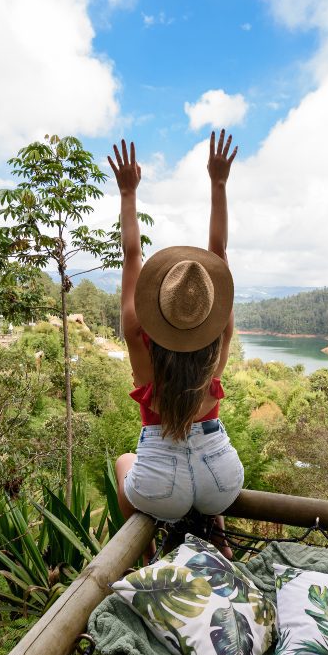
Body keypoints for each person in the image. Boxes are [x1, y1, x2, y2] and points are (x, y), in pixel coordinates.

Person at [108, 130, 242, 550]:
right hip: (222, 479)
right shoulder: (216, 344)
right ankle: (215, 529)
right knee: (204, 471)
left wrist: (128, 193)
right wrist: (218, 183)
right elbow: (218, 251)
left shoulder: (138, 340)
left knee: (122, 462)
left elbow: (132, 254)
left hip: (161, 487)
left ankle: (144, 551)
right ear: (208, 310)